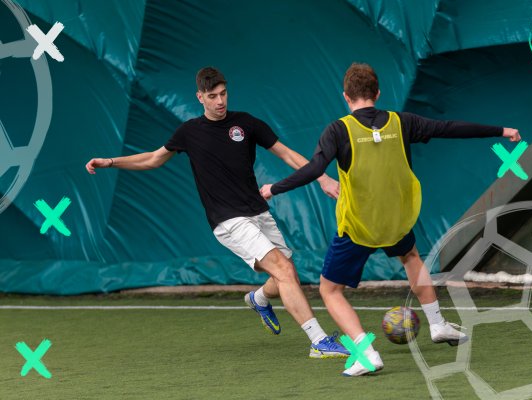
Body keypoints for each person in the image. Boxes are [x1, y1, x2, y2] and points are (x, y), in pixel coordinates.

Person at [260, 63, 522, 376]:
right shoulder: (402, 122)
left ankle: (366, 353)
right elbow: (449, 128)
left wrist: (274, 188)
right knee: (410, 257)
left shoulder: (338, 130)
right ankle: (438, 323)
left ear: (346, 96)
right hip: (398, 219)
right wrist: (501, 130)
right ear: (378, 93)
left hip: (360, 225)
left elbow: (314, 169)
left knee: (330, 290)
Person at [85, 67, 349, 359]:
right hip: (228, 219)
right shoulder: (189, 132)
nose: (220, 101)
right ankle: (318, 341)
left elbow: (286, 153)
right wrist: (110, 161)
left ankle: (259, 298)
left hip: (258, 210)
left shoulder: (246, 123)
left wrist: (322, 177)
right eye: (212, 96)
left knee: (286, 274)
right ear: (200, 97)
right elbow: (152, 159)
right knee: (284, 270)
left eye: (223, 94)